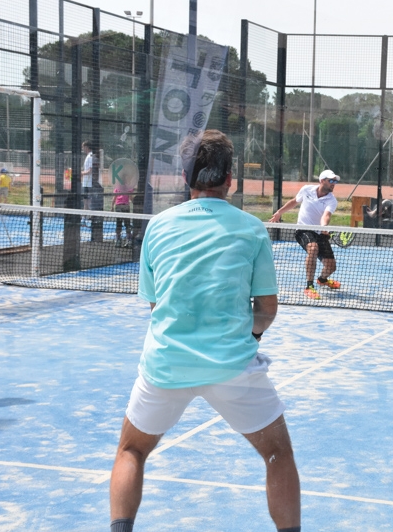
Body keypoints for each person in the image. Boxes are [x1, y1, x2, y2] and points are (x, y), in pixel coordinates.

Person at [109, 130, 301, 532]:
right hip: (234, 368)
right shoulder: (252, 229)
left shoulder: (158, 228)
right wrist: (249, 340)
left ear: (184, 177)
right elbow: (266, 309)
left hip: (165, 366)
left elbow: (155, 304)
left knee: (131, 450)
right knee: (277, 455)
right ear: (231, 178)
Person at [269, 169, 341, 301]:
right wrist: (279, 212)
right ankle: (309, 286)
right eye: (331, 180)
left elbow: (326, 215)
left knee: (331, 266)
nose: (333, 183)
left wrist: (324, 228)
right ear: (322, 181)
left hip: (320, 232)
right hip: (303, 230)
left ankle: (322, 280)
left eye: (335, 181)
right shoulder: (306, 190)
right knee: (313, 249)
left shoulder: (332, 200)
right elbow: (294, 201)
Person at [111, 180, 134, 247]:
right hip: (120, 207)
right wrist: (112, 207)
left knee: (124, 224)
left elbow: (130, 197)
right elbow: (114, 198)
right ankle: (120, 240)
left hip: (124, 207)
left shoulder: (126, 188)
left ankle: (126, 240)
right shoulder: (118, 188)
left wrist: (112, 207)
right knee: (123, 224)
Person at [81, 141, 94, 211]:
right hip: (86, 182)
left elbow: (90, 170)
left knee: (88, 201)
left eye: (83, 147)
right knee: (85, 200)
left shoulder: (90, 156)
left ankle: (89, 215)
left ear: (87, 147)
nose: (82, 148)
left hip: (89, 183)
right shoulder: (88, 156)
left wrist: (81, 173)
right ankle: (85, 215)